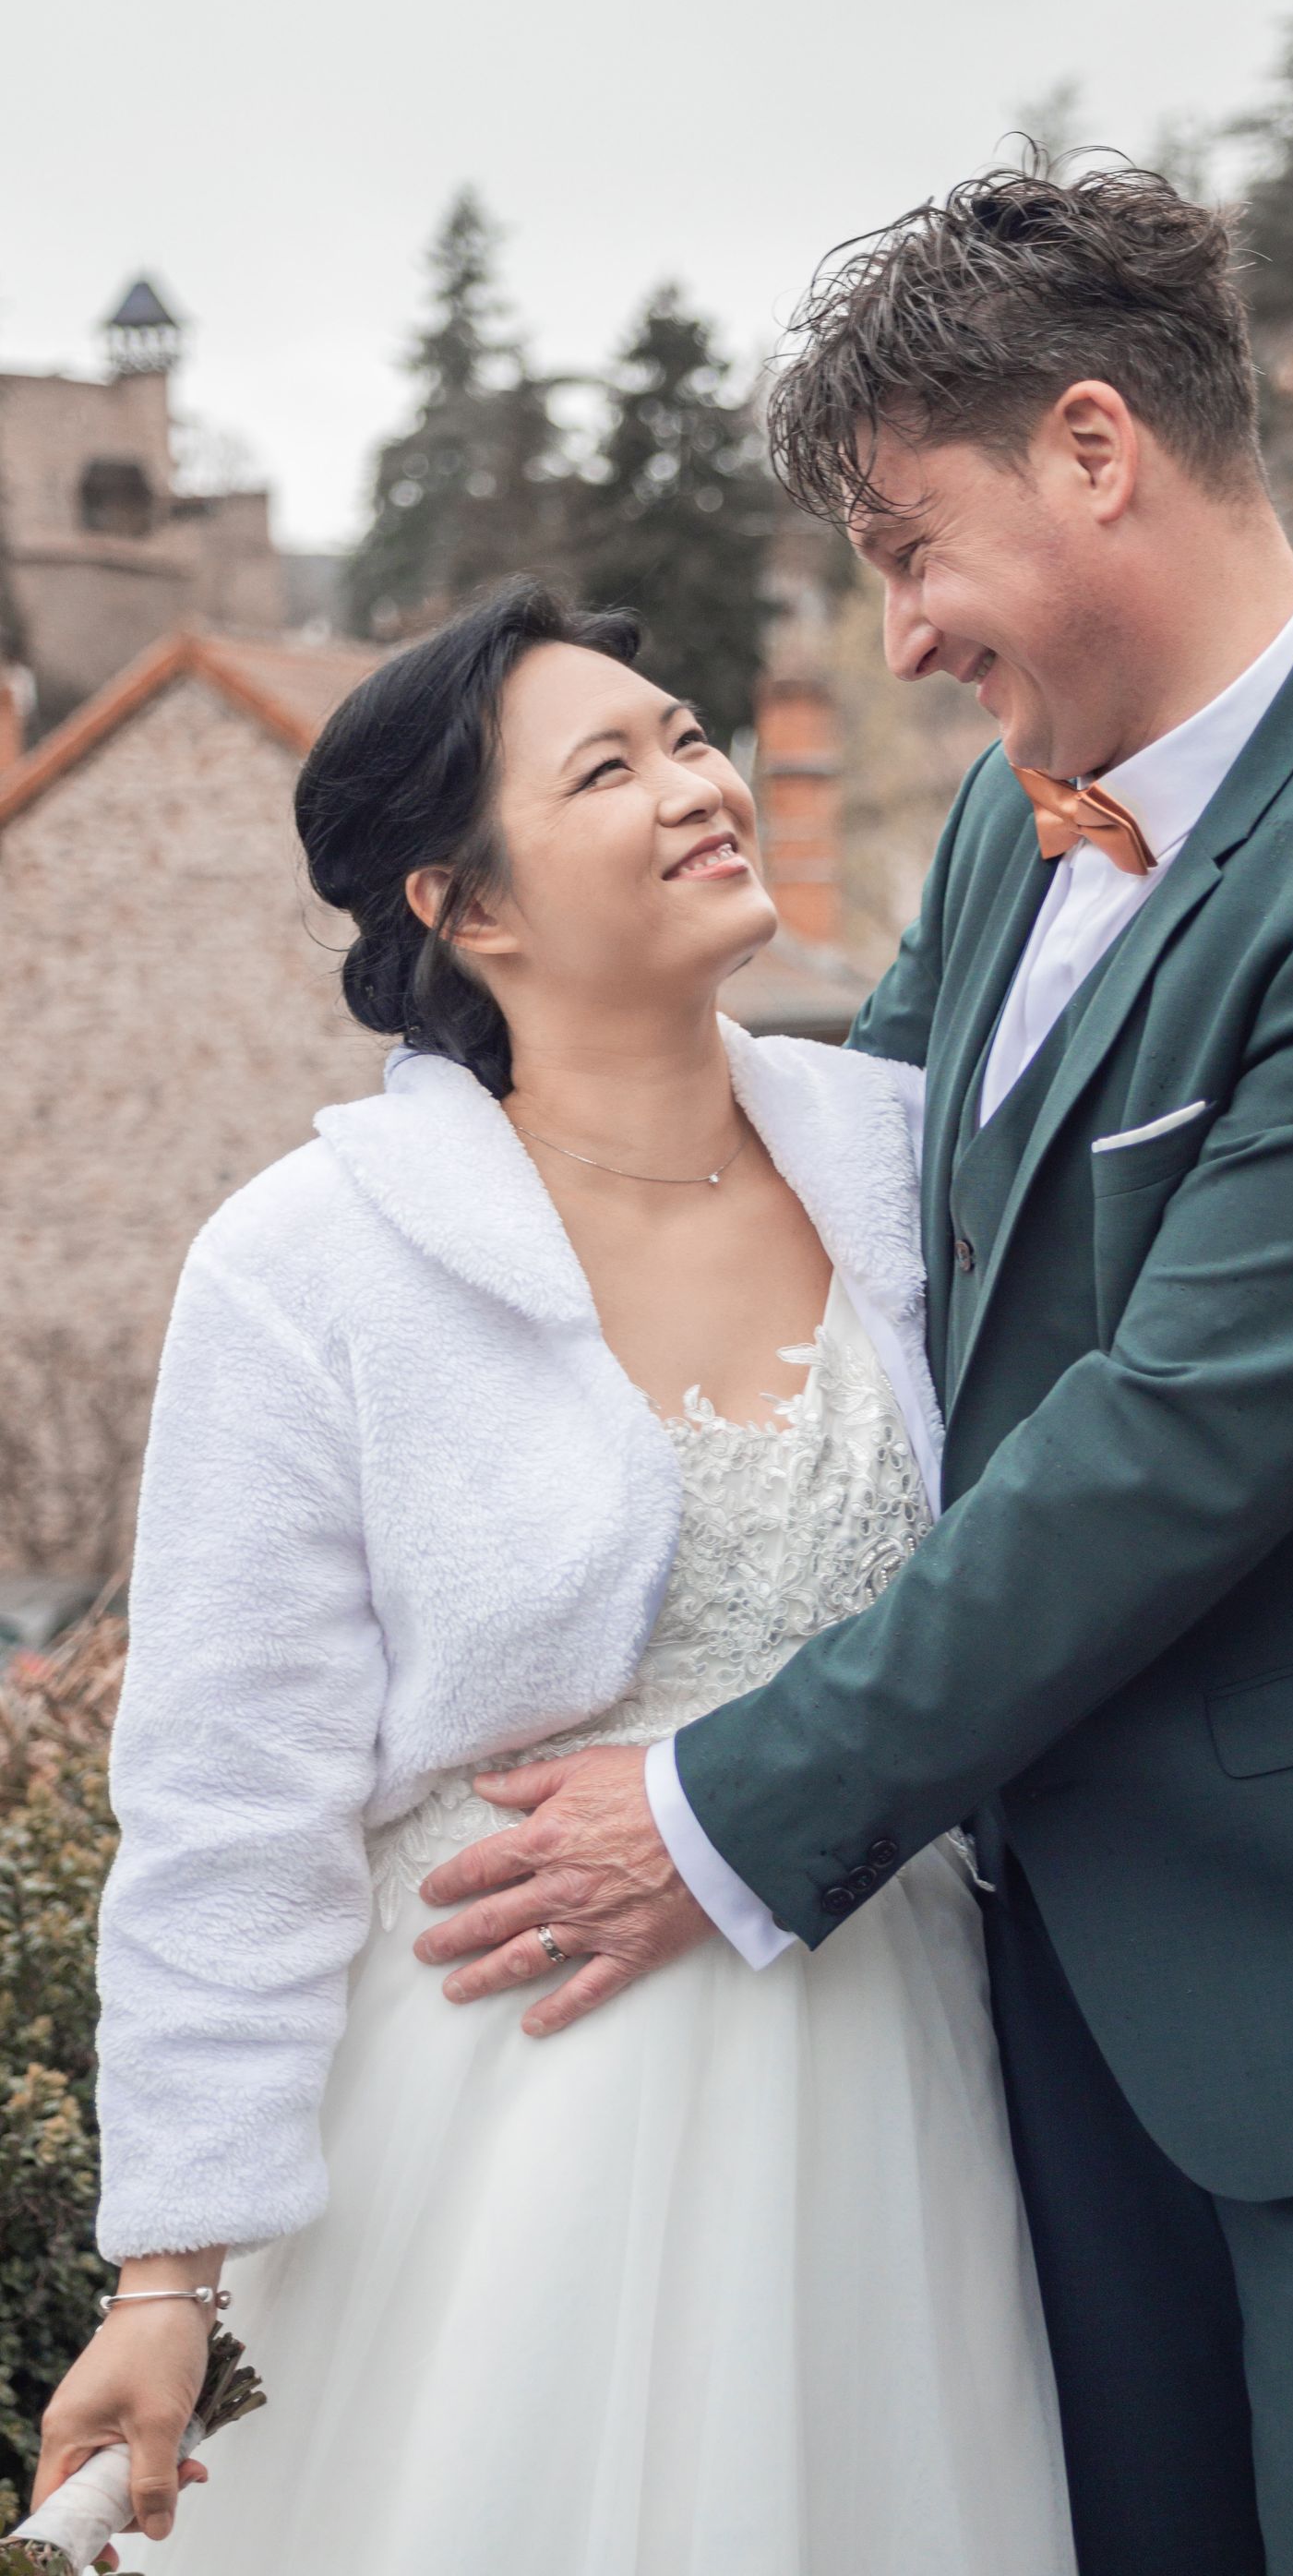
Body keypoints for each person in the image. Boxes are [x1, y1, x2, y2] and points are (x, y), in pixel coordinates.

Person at [411, 169, 1293, 2576]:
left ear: (1095, 448)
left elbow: (1170, 1445)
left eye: (913, 548)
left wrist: (716, 1811)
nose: (897, 638)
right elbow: (853, 1251)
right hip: (1054, 1961)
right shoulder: (1017, 832)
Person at [32, 585, 1077, 2576]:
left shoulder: (907, 1164)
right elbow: (228, 1801)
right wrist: (169, 2273)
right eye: (613, 767)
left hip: (911, 2095)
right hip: (504, 2147)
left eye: (690, 735)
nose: (702, 783)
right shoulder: (309, 1264)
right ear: (469, 907)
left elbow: (1135, 1483)